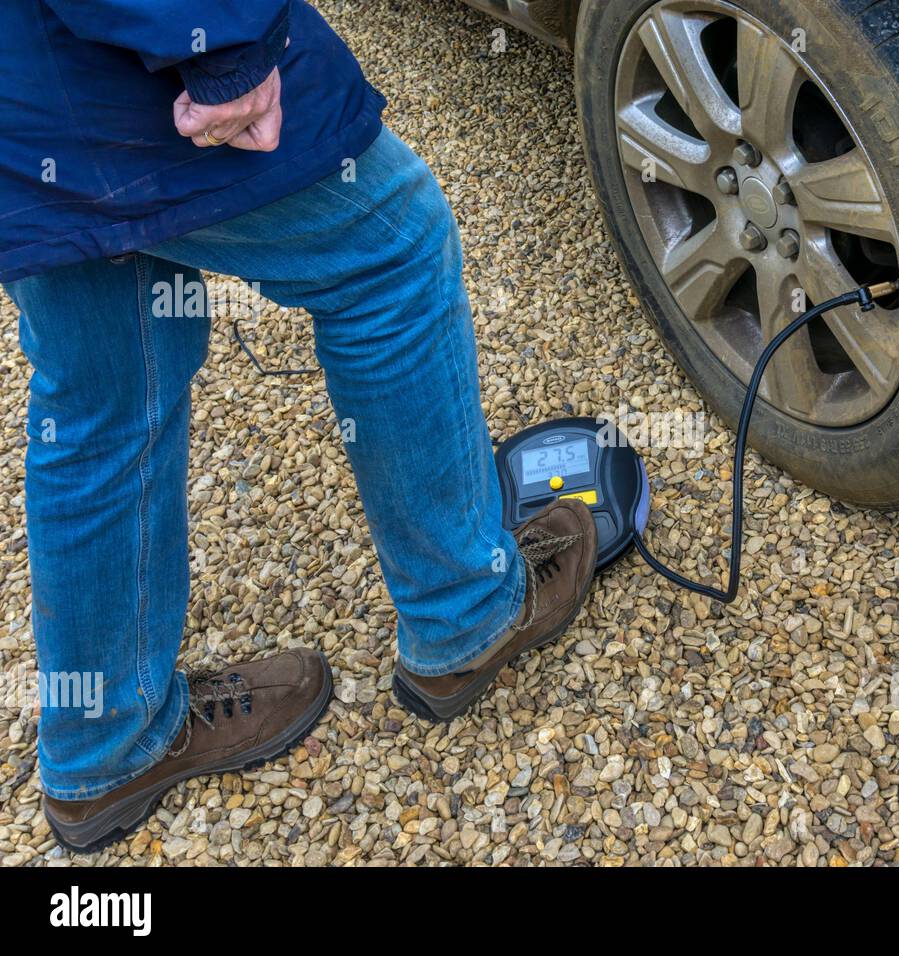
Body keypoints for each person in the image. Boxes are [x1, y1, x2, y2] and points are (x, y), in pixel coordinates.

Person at [0, 0, 597, 853]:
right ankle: (467, 610)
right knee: (390, 246)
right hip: (124, 58)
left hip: (24, 84)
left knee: (105, 384)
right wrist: (226, 52)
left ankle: (105, 741)